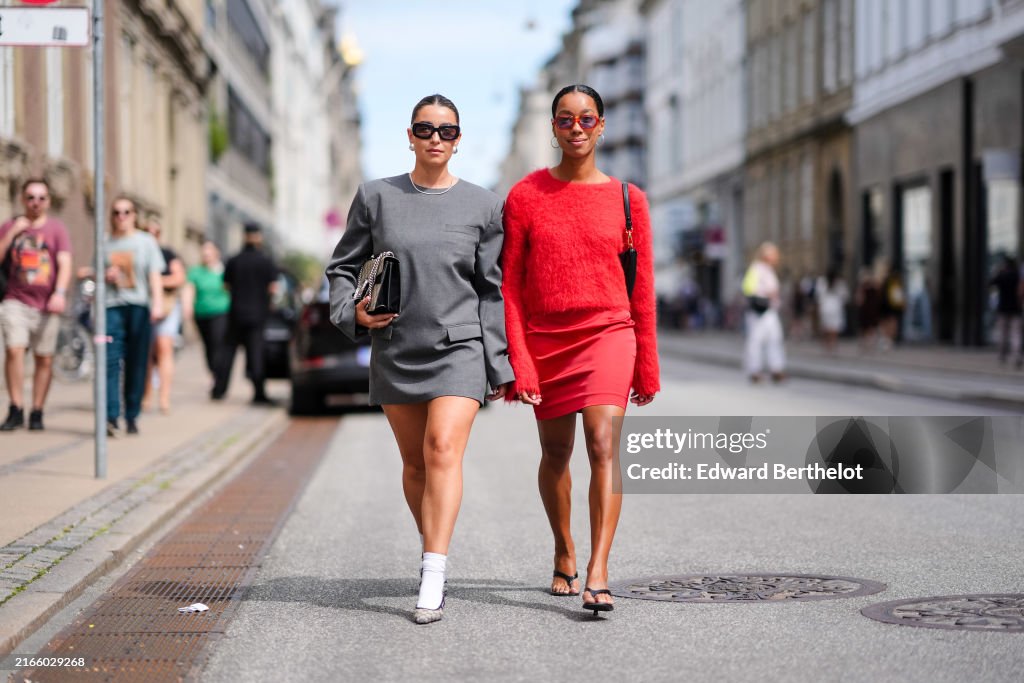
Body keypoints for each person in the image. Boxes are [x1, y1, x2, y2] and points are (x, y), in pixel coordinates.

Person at [326, 94, 514, 625]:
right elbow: (342, 267)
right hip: (396, 346)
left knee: (442, 448)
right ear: (409, 136)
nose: (436, 138)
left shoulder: (485, 206)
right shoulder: (376, 197)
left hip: (459, 348)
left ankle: (434, 572)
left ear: (459, 140)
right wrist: (352, 313)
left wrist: (499, 364)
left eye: (446, 131)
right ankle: (432, 545)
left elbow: (492, 290)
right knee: (414, 465)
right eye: (425, 129)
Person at [501, 84, 659, 615]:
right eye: (565, 119)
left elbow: (642, 289)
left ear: (602, 126)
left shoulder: (629, 200)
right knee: (556, 453)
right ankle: (564, 549)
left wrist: (647, 366)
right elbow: (510, 286)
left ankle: (598, 569)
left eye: (586, 119)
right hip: (547, 338)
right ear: (553, 127)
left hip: (609, 332)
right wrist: (520, 362)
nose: (576, 128)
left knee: (603, 445)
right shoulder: (525, 196)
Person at [0, 178, 72, 431]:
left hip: (46, 304)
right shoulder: (10, 226)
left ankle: (38, 410)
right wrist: (12, 233)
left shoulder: (56, 229)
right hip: (15, 299)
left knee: (44, 358)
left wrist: (59, 293)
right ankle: (16, 407)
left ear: (48, 202)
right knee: (14, 350)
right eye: (31, 197)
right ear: (23, 199)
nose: (36, 202)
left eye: (41, 198)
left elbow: (64, 263)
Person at [101, 197, 165, 435]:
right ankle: (111, 415)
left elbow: (154, 275)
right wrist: (105, 275)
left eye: (126, 212)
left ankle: (132, 414)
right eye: (116, 212)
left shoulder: (145, 241)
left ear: (134, 215)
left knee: (137, 361)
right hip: (110, 308)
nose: (121, 217)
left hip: (138, 307)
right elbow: (94, 272)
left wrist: (157, 304)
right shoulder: (104, 242)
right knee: (109, 359)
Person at [211, 223, 278, 404]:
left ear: (244, 236)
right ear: (259, 237)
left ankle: (219, 390)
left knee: (227, 353)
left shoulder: (234, 260)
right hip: (257, 314)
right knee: (256, 354)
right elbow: (273, 288)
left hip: (236, 313)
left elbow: (226, 285)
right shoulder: (266, 261)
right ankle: (259, 393)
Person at [142, 221, 185, 414]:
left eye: (155, 232)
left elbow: (179, 277)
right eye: (147, 232)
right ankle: (146, 395)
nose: (152, 236)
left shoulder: (167, 253)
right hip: (144, 306)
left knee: (164, 348)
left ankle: (164, 397)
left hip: (166, 308)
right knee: (146, 353)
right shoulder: (139, 252)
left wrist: (156, 281)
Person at [186, 239, 230, 380]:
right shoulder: (196, 272)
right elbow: (189, 291)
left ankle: (219, 375)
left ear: (216, 252)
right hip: (201, 313)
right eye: (204, 250)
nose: (206, 253)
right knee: (208, 346)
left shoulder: (223, 271)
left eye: (209, 250)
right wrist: (188, 309)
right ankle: (214, 372)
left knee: (217, 343)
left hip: (221, 312)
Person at [742, 242, 785, 383]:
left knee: (774, 339)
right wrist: (766, 293)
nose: (777, 257)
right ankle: (754, 370)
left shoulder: (769, 270)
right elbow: (748, 288)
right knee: (755, 340)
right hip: (759, 311)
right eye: (774, 254)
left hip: (770, 311)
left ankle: (776, 369)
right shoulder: (756, 268)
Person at [989, 254, 1022, 368]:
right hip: (1016, 309)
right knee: (1016, 334)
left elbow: (991, 282)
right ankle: (1017, 356)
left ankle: (1002, 355)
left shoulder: (1002, 276)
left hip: (1003, 309)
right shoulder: (1017, 276)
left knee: (1003, 333)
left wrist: (998, 272)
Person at [815, 268, 848, 353]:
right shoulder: (840, 283)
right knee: (834, 327)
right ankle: (833, 343)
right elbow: (845, 296)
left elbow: (818, 296)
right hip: (835, 307)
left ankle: (827, 344)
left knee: (826, 327)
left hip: (825, 307)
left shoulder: (822, 282)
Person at [855, 266, 882, 352]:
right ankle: (867, 343)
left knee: (869, 327)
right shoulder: (865, 287)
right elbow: (859, 299)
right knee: (867, 327)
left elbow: (859, 300)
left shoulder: (871, 287)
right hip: (868, 309)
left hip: (870, 309)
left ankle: (868, 343)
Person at [879, 265, 905, 350]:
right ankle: (889, 340)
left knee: (887, 322)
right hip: (894, 305)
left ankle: (887, 340)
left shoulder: (887, 280)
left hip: (886, 305)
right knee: (893, 322)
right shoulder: (897, 280)